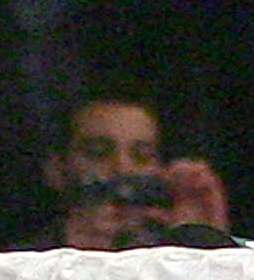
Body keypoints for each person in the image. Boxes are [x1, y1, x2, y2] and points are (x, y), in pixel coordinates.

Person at [43, 90, 231, 253]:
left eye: (142, 156)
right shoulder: (22, 265)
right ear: (57, 169)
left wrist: (204, 242)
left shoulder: (174, 247)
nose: (123, 169)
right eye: (98, 154)